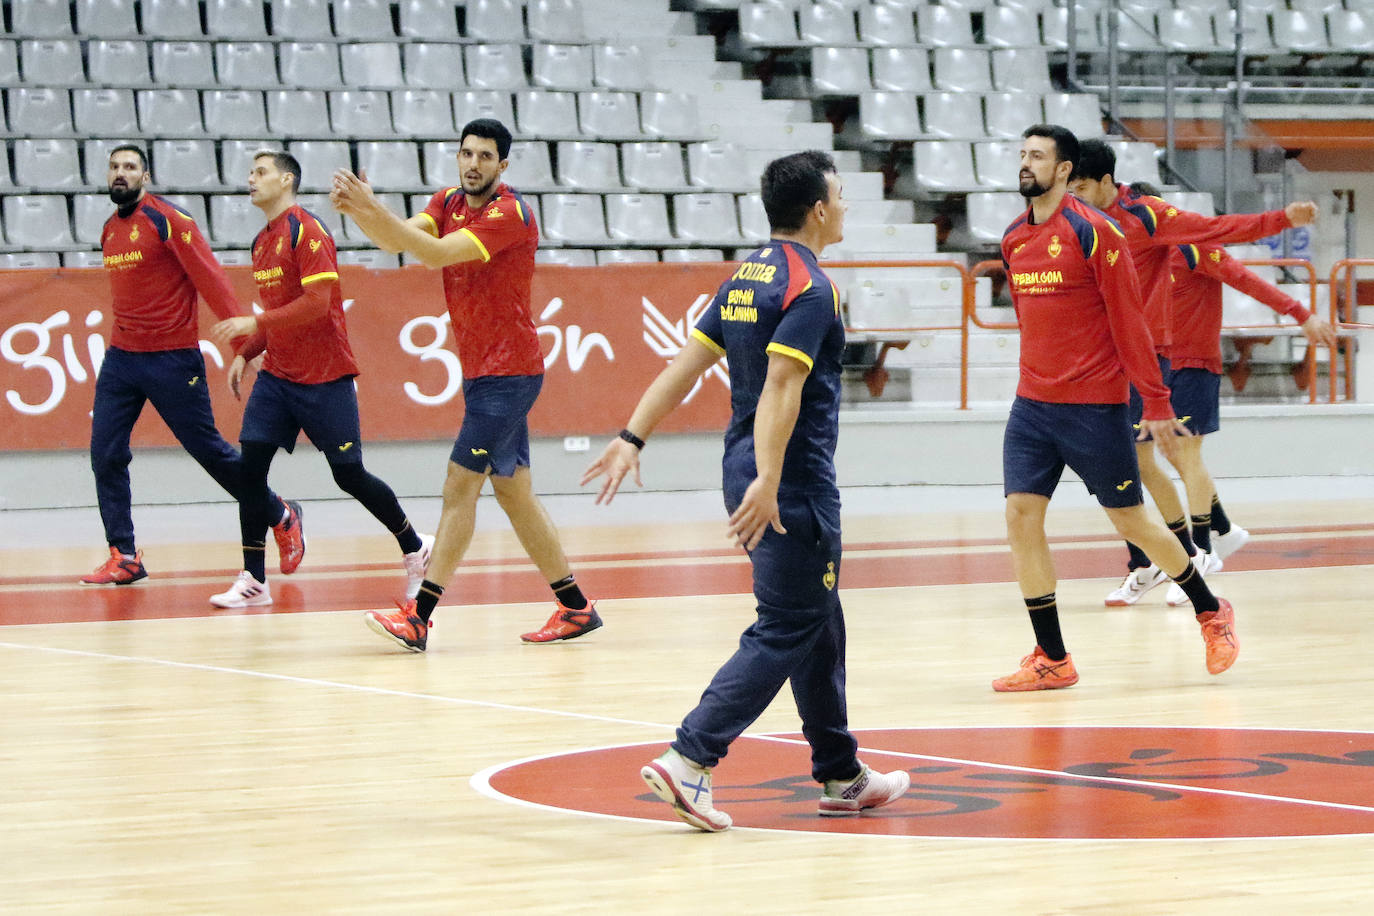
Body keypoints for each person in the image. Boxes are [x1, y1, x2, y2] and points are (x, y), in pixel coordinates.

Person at [582, 151, 909, 832]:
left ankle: (842, 773)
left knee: (817, 616)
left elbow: (685, 365)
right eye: (841, 196)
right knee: (789, 624)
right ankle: (690, 759)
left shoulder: (745, 276)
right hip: (788, 478)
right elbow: (783, 389)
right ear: (819, 209)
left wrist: (632, 435)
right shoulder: (813, 289)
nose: (845, 207)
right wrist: (770, 477)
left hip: (747, 466)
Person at [329, 118, 600, 649]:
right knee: (515, 493)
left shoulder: (510, 214)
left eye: (484, 156)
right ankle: (575, 607)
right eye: (466, 153)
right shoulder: (448, 201)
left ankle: (419, 616)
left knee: (459, 487)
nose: (473, 164)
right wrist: (362, 212)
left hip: (510, 371)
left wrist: (371, 208)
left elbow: (432, 254)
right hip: (483, 371)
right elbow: (400, 242)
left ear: (503, 165)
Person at [995, 124, 1239, 692]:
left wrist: (1154, 400)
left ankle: (1210, 610)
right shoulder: (1011, 238)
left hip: (1094, 408)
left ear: (1064, 170)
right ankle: (1052, 656)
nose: (1025, 162)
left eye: (1038, 156)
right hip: (1031, 406)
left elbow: (1130, 323)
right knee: (1020, 518)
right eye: (1022, 152)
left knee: (1130, 521)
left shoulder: (1095, 231)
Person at [1067, 145, 1320, 607]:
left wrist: (1297, 301)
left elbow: (1243, 271)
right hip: (1122, 362)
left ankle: (1201, 547)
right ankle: (1201, 539)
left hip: (1189, 365)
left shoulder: (1179, 239)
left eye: (1083, 185)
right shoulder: (1086, 228)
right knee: (1143, 463)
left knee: (1183, 457)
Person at [206, 150, 433, 608]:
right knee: (250, 472)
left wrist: (253, 325)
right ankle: (254, 579)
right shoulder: (260, 242)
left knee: (348, 475)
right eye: (250, 172)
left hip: (325, 376)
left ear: (287, 180)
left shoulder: (307, 230)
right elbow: (281, 318)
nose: (251, 179)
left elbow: (315, 304)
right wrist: (249, 353)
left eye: (261, 172)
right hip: (278, 377)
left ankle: (414, 546)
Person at [83, 144, 303, 586]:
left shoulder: (169, 220)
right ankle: (124, 554)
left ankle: (280, 514)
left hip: (172, 359)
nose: (120, 174)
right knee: (105, 454)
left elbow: (212, 280)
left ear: (146, 177)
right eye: (114, 167)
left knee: (210, 453)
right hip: (122, 359)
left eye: (129, 167)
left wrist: (245, 346)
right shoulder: (109, 229)